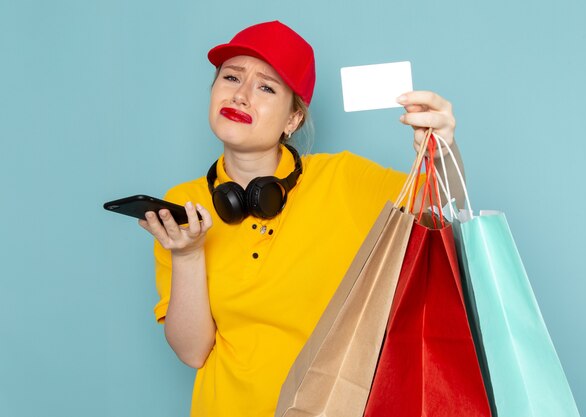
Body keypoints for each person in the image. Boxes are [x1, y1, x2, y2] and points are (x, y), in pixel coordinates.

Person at [139, 20, 463, 417]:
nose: (240, 96)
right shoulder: (183, 203)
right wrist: (187, 255)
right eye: (231, 77)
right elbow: (192, 352)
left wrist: (442, 149)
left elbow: (443, 208)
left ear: (293, 120)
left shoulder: (343, 180)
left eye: (265, 87)